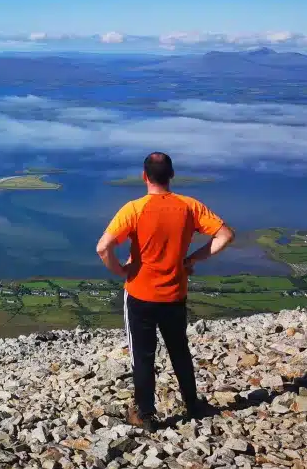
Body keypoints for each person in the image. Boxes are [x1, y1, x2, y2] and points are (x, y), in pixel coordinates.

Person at [95, 152, 235, 431]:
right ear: (171, 175)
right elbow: (225, 235)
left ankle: (146, 415)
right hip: (174, 295)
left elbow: (103, 248)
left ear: (144, 176)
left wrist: (121, 271)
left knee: (143, 356)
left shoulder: (133, 209)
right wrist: (192, 259)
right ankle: (193, 406)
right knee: (179, 350)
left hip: (139, 295)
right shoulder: (189, 206)